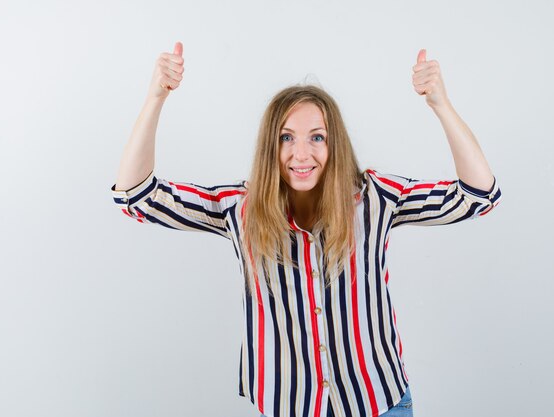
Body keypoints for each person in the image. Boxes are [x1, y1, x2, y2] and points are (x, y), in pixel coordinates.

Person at [110, 42, 502, 417]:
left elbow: (479, 196)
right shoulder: (238, 208)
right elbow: (135, 198)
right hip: (286, 404)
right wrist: (155, 98)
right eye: (286, 138)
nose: (302, 154)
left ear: (335, 145)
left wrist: (441, 104)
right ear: (270, 146)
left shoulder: (377, 197)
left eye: (317, 137)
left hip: (378, 401)